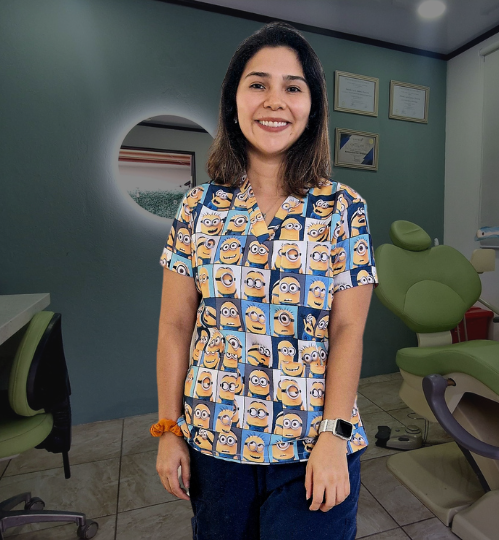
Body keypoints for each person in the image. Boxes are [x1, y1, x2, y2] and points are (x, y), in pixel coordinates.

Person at [152, 21, 377, 540]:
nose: (275, 101)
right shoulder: (198, 207)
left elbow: (348, 330)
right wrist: (169, 429)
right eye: (258, 84)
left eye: (293, 87)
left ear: (312, 107)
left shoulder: (343, 208)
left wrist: (334, 437)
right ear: (233, 101)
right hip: (215, 442)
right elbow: (174, 325)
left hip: (313, 445)